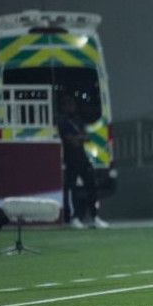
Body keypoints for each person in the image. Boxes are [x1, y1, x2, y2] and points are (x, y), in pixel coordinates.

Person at [56, 93, 109, 230]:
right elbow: (71, 141)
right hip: (70, 159)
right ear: (64, 106)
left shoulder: (78, 120)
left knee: (91, 185)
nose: (73, 107)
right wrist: (79, 138)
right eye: (69, 104)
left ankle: (94, 217)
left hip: (83, 157)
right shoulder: (62, 121)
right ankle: (75, 218)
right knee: (73, 189)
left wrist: (78, 137)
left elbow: (86, 138)